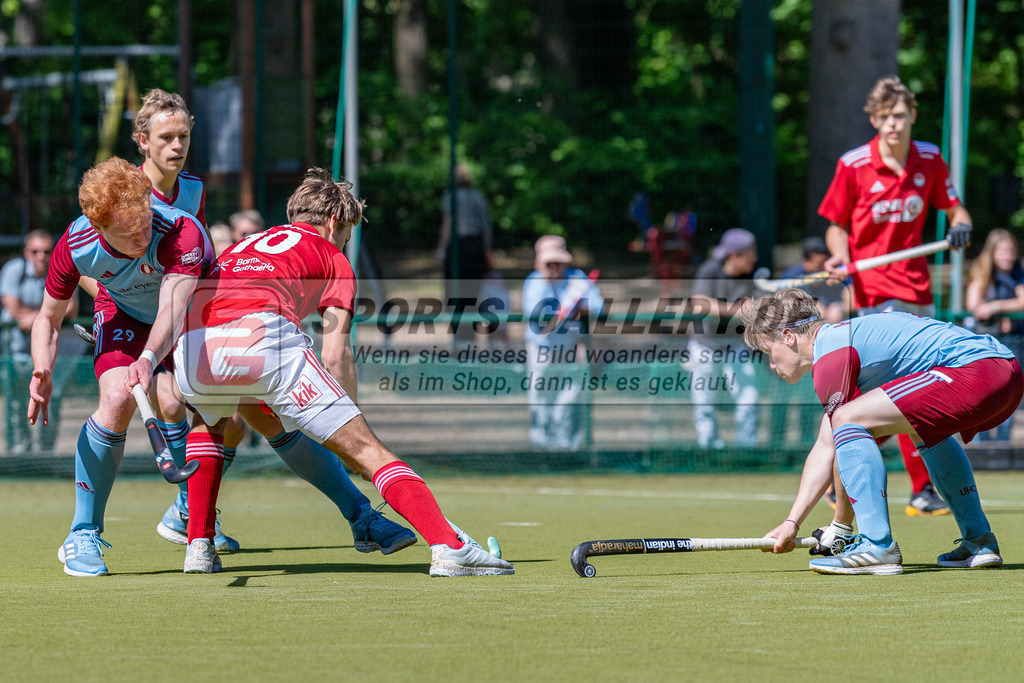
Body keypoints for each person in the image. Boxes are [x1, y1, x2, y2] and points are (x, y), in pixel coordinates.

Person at [173, 168, 513, 576]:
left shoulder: (245, 244)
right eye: (347, 236)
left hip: (193, 343)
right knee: (368, 449)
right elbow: (336, 355)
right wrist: (349, 432)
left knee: (208, 424)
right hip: (263, 339)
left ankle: (198, 546)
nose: (344, 244)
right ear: (334, 222)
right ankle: (449, 546)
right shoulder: (332, 256)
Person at [130, 88, 413, 558]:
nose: (177, 145)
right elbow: (94, 260)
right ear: (142, 140)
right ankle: (90, 531)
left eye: (184, 135)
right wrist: (137, 320)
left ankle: (192, 521)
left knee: (244, 420)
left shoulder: (193, 189)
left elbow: (197, 259)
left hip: (193, 312)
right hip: (145, 316)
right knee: (148, 404)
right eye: (167, 137)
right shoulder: (126, 191)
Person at [748, 288, 1021, 575]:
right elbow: (825, 446)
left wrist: (840, 526)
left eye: (769, 351)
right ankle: (979, 541)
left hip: (976, 372)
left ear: (789, 336)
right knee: (920, 430)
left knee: (847, 418)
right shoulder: (844, 339)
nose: (772, 363)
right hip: (1005, 370)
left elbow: (840, 433)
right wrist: (792, 523)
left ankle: (877, 546)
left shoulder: (831, 355)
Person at [29, 156, 213, 577]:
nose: (144, 237)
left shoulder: (180, 230)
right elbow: (48, 319)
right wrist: (43, 367)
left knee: (232, 416)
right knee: (116, 399)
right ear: (99, 226)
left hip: (187, 315)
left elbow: (172, 310)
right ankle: (82, 534)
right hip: (122, 313)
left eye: (146, 224)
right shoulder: (75, 244)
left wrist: (148, 359)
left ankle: (357, 512)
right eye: (130, 234)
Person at [820, 75, 973, 517]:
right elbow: (836, 226)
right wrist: (840, 256)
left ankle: (839, 466)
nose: (893, 124)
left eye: (900, 116)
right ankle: (921, 489)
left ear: (912, 117)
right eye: (885, 117)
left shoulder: (930, 158)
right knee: (904, 386)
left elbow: (955, 209)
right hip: (874, 291)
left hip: (917, 288)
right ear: (874, 119)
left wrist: (961, 225)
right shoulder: (854, 164)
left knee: (912, 388)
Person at [0, 230, 80, 452]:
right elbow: (14, 309)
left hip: (48, 354)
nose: (41, 256)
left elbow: (72, 309)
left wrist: (37, 319)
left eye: (46, 251)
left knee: (51, 398)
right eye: (35, 251)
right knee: (16, 402)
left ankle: (45, 452)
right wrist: (49, 316)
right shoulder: (14, 270)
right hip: (16, 351)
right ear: (26, 252)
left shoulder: (62, 268)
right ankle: (19, 450)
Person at [522, 235, 603, 451]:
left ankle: (566, 450)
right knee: (540, 400)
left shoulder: (578, 279)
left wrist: (579, 310)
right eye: (549, 263)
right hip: (542, 351)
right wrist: (558, 308)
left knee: (568, 401)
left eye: (557, 262)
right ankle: (542, 449)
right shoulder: (534, 282)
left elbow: (598, 307)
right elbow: (533, 312)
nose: (554, 267)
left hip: (570, 350)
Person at [770, 236, 848, 447]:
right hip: (790, 352)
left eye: (825, 261)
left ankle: (806, 444)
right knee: (781, 401)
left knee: (811, 402)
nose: (823, 267)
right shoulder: (791, 277)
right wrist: (812, 309)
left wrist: (841, 305)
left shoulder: (832, 275)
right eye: (818, 262)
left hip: (817, 355)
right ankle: (775, 447)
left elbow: (849, 297)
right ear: (806, 261)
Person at [686, 228, 761, 449]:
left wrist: (757, 307)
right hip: (704, 345)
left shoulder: (753, 275)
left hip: (736, 346)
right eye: (751, 253)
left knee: (749, 399)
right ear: (734, 255)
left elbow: (759, 304)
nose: (755, 258)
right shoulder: (709, 270)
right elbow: (699, 303)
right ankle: (709, 449)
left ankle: (747, 451)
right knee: (703, 403)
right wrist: (736, 311)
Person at [965, 229, 1024, 441]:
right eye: (1003, 251)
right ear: (992, 253)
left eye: (1011, 251)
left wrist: (996, 307)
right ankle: (981, 443)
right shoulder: (983, 274)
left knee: (1009, 395)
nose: (1008, 257)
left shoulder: (1017, 274)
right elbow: (974, 305)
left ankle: (1003, 442)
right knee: (983, 393)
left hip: (1012, 343)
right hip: (986, 344)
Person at [437, 163, 492, 346]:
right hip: (475, 250)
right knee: (472, 297)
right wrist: (485, 252)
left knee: (454, 296)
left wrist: (441, 250)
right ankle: (469, 341)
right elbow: (486, 229)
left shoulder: (450, 196)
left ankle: (459, 340)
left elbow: (448, 224)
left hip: (457, 251)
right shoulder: (478, 196)